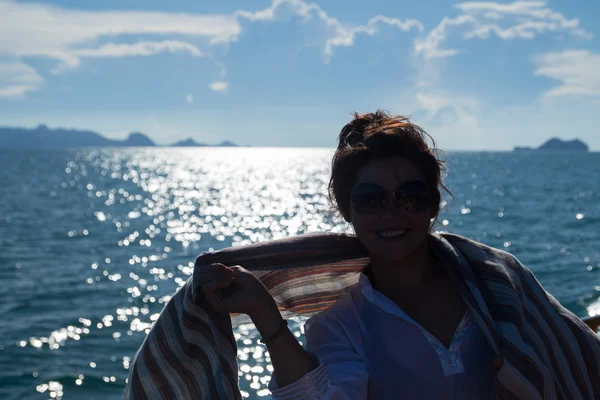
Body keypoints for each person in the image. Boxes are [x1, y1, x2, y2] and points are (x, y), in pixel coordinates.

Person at [185, 111, 600, 399]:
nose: (392, 212)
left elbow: (572, 359)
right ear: (347, 211)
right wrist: (266, 314)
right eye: (370, 199)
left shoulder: (496, 288)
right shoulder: (342, 326)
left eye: (411, 197)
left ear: (434, 205)